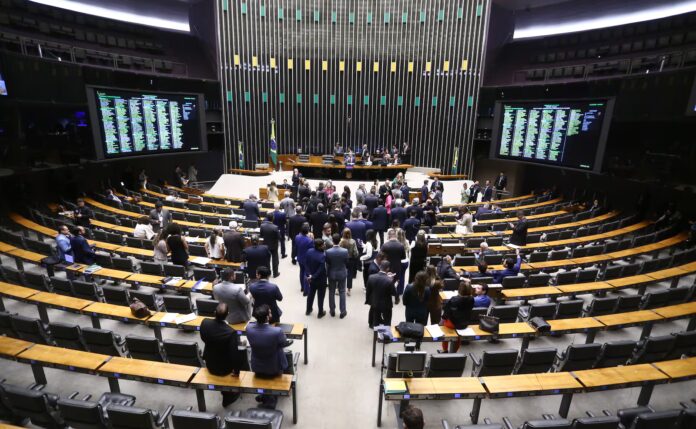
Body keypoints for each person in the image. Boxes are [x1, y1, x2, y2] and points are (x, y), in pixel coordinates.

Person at [245, 304, 289, 409]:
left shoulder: (249, 328)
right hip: (273, 367)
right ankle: (270, 402)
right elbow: (283, 343)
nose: (271, 314)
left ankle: (264, 395)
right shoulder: (276, 331)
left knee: (262, 377)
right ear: (267, 317)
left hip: (256, 365)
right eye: (269, 312)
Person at [200, 303, 243, 407]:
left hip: (210, 363)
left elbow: (203, 338)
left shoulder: (205, 322)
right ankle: (229, 396)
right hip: (224, 369)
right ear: (227, 314)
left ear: (214, 312)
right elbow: (234, 355)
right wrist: (237, 372)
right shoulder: (231, 332)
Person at [441, 280, 474, 353]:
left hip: (452, 323)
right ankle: (454, 352)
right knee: (458, 337)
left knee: (444, 329)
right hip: (465, 323)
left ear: (459, 289)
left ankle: (445, 350)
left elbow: (447, 311)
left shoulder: (454, 299)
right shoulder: (472, 299)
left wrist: (443, 318)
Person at [365, 261, 399, 328]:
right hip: (386, 304)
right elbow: (394, 293)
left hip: (375, 303)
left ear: (380, 267)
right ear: (388, 269)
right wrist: (395, 284)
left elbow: (368, 291)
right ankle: (386, 332)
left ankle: (375, 333)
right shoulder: (389, 280)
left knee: (376, 321)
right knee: (387, 321)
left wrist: (368, 300)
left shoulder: (371, 277)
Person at [325, 233, 349, 318]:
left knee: (331, 291)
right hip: (342, 273)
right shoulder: (345, 251)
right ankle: (343, 311)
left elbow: (327, 263)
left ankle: (332, 310)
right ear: (340, 241)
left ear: (332, 240)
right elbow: (346, 262)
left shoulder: (328, 252)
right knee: (342, 291)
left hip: (332, 273)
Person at [305, 239, 328, 317]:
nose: (324, 245)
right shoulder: (322, 256)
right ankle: (320, 312)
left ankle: (308, 310)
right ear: (319, 246)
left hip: (311, 278)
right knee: (320, 297)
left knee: (311, 294)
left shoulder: (309, 251)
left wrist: (309, 275)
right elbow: (321, 270)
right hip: (321, 279)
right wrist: (313, 276)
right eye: (323, 244)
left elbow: (306, 264)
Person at [381, 229, 406, 294]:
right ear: (396, 236)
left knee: (387, 281)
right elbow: (404, 257)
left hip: (387, 267)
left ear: (389, 236)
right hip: (397, 266)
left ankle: (388, 293)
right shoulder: (401, 245)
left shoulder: (385, 245)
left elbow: (381, 257)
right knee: (396, 281)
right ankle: (396, 294)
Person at [339, 228, 359, 296]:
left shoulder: (341, 241)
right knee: (350, 274)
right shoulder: (353, 241)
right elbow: (356, 252)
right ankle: (349, 290)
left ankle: (338, 288)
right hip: (350, 260)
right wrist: (355, 256)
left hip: (342, 260)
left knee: (341, 273)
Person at [260, 213, 281, 277]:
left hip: (265, 245)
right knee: (275, 259)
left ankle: (268, 273)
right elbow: (279, 237)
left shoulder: (262, 226)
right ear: (273, 218)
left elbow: (261, 235)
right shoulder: (275, 227)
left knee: (267, 260)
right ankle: (275, 273)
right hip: (274, 246)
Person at [295, 223, 314, 294]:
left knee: (301, 271)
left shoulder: (297, 237)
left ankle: (302, 287)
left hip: (299, 256)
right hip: (307, 259)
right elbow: (312, 250)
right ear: (308, 231)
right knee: (306, 273)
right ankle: (306, 290)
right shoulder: (310, 240)